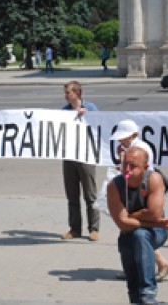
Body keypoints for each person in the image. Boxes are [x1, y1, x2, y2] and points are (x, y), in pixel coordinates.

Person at [107, 146, 168, 305]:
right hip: (132, 231)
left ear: (145, 167)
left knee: (140, 235)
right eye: (125, 165)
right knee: (126, 243)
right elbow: (121, 223)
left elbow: (155, 213)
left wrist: (130, 216)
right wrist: (141, 218)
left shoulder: (153, 179)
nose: (127, 170)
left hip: (157, 229)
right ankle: (137, 298)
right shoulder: (114, 186)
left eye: (133, 166)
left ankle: (148, 294)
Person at [61, 81, 99, 241]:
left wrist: (88, 115)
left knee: (90, 195)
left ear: (77, 93)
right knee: (72, 195)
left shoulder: (90, 107)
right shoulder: (63, 111)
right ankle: (75, 229)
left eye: (68, 92)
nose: (65, 95)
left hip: (86, 156)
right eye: (65, 92)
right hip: (69, 157)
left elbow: (100, 125)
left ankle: (94, 229)